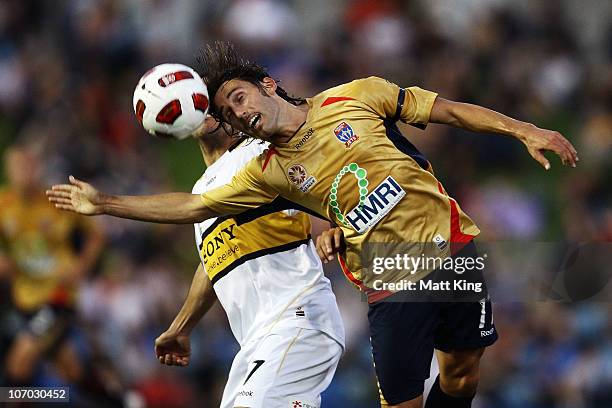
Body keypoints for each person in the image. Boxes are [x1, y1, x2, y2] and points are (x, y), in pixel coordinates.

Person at [47, 41, 578, 408]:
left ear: (267, 85)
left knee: (463, 375)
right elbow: (194, 209)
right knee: (403, 402)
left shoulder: (356, 96)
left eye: (239, 98)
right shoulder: (265, 171)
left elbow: (448, 111)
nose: (239, 113)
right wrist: (107, 203)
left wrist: (522, 129)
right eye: (230, 115)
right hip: (388, 276)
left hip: (451, 246)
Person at [140, 116, 345, 408]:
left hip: (298, 319)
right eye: (202, 104)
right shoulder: (201, 190)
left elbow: (329, 180)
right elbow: (214, 263)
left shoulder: (258, 154)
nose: (207, 110)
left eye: (216, 106)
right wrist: (181, 327)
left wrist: (336, 224)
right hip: (255, 342)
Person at [0, 146, 104, 388]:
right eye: (17, 167)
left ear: (37, 168)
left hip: (59, 295)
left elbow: (97, 234)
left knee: (20, 359)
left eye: (28, 166)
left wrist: (82, 266)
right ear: (8, 171)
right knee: (71, 370)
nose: (23, 173)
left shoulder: (55, 200)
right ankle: (121, 402)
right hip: (25, 298)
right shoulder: (4, 204)